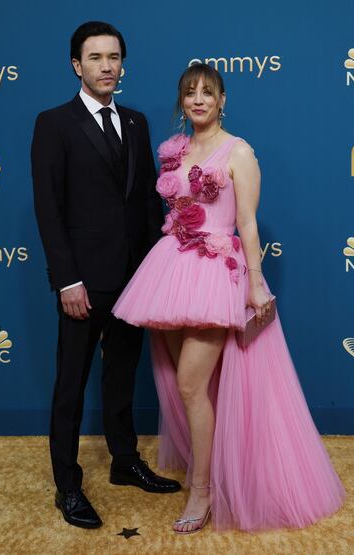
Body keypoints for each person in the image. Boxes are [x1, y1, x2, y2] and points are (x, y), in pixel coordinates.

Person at [113, 63, 346, 534]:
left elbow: (246, 223)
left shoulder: (239, 151)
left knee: (189, 386)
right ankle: (212, 472)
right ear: (182, 102)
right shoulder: (176, 152)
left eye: (208, 93)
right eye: (190, 92)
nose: (198, 99)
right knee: (193, 388)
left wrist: (256, 282)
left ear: (223, 101)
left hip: (216, 274)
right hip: (173, 270)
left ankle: (203, 490)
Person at [31, 21, 180, 530]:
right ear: (77, 65)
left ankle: (124, 462)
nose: (107, 66)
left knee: (121, 376)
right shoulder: (54, 123)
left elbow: (142, 204)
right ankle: (67, 487)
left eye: (114, 57)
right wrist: (66, 280)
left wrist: (156, 272)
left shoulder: (136, 122)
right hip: (83, 283)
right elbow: (49, 210)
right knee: (71, 385)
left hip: (132, 279)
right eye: (95, 58)